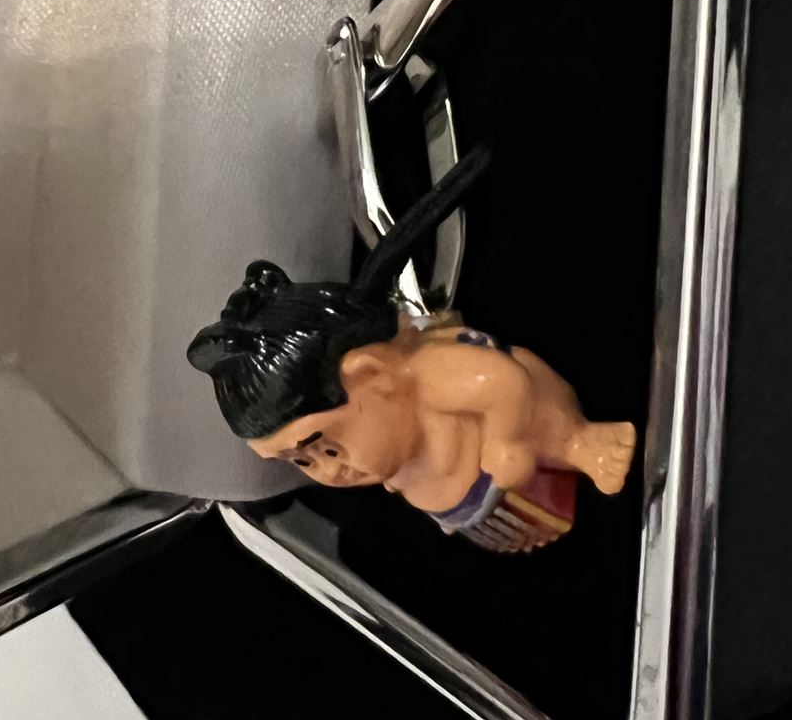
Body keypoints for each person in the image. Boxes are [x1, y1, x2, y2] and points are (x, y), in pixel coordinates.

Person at [187, 149, 636, 550]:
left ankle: (581, 442)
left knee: (544, 417)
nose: (329, 472)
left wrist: (507, 441)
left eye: (326, 448)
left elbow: (505, 382)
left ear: (371, 375)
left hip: (521, 444)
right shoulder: (391, 434)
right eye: (302, 461)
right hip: (482, 498)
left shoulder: (432, 375)